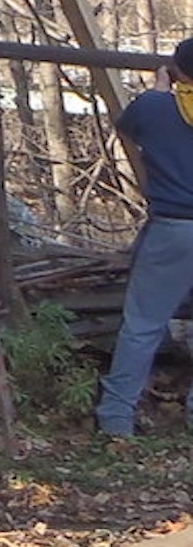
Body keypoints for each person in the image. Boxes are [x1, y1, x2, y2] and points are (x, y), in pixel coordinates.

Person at [97, 38, 193, 437]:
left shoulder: (156, 107)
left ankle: (116, 420)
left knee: (142, 325)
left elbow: (128, 124)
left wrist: (159, 91)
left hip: (174, 228)